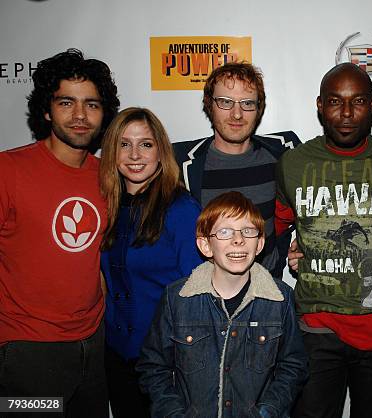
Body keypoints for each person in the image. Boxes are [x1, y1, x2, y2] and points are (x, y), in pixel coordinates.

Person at [276, 63, 372, 418]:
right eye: (336, 102)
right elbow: (274, 230)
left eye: (357, 102)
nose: (347, 113)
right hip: (316, 322)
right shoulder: (293, 163)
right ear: (320, 105)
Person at [0, 49, 119, 417]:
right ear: (47, 110)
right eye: (67, 102)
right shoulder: (8, 170)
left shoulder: (109, 176)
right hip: (26, 352)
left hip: (92, 344)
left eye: (92, 105)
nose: (81, 116)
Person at [137, 191, 308, 418]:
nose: (238, 240)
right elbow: (153, 367)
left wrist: (268, 412)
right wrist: (175, 413)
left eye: (248, 231)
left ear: (259, 244)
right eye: (225, 232)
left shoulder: (280, 298)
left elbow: (293, 365)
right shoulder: (176, 298)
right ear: (206, 245)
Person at [99, 107, 203, 418]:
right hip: (116, 355)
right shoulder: (106, 206)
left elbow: (198, 291)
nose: (134, 155)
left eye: (145, 144)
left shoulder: (181, 209)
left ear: (160, 150)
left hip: (167, 362)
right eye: (124, 144)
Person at [173, 62, 300, 279]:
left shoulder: (285, 153)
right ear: (209, 105)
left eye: (247, 103)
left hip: (267, 294)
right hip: (205, 298)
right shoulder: (179, 163)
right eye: (225, 102)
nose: (237, 114)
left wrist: (308, 242)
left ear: (259, 109)